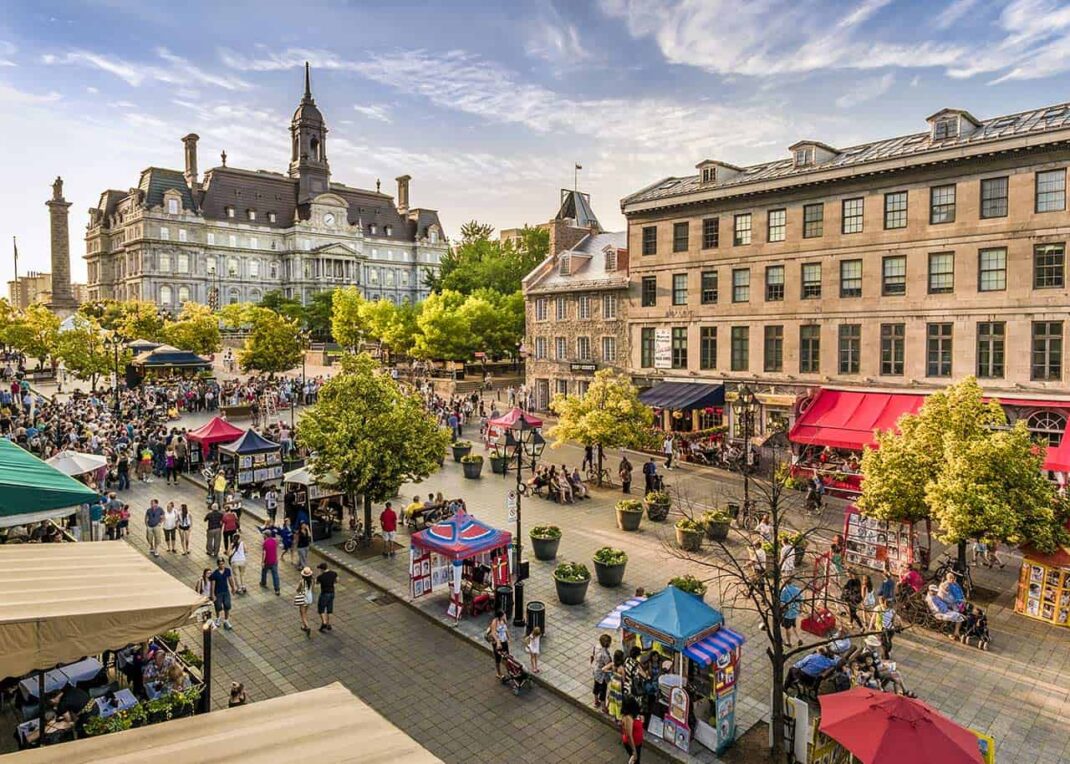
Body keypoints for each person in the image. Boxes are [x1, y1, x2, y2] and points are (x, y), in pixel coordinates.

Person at [208, 556, 235, 630]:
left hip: (226, 591)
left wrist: (233, 588)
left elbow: (230, 579)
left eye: (223, 564)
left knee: (227, 605)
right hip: (218, 592)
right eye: (220, 564)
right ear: (218, 565)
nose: (222, 565)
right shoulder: (215, 574)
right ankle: (218, 618)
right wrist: (212, 594)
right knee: (218, 606)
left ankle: (226, 620)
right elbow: (213, 585)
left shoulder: (227, 570)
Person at [591, 633, 612, 710]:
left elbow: (593, 655)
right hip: (602, 675)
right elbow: (608, 664)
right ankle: (604, 707)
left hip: (596, 670)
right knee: (603, 690)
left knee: (596, 687)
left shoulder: (596, 647)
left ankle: (596, 702)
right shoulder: (605, 654)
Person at [620, 695, 644, 764]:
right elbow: (629, 736)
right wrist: (634, 751)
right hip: (633, 744)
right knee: (635, 760)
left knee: (635, 760)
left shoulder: (632, 715)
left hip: (637, 743)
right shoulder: (628, 718)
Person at [780, 579, 803, 648]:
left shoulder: (784, 591)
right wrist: (800, 608)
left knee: (787, 628)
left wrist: (782, 610)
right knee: (794, 626)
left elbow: (782, 603)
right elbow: (801, 600)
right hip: (795, 611)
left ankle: (789, 642)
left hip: (787, 613)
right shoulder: (797, 589)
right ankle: (799, 638)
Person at [316, 561, 337, 632]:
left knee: (321, 609)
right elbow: (337, 580)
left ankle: (324, 622)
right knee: (329, 609)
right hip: (332, 593)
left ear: (322, 569)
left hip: (324, 594)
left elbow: (317, 583)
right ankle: (328, 623)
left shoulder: (320, 577)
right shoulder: (333, 573)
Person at [490, 609, 510, 679]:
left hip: (504, 641)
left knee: (507, 656)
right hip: (498, 643)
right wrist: (498, 642)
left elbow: (505, 628)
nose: (505, 615)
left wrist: (508, 637)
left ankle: (509, 671)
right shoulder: (494, 622)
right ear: (500, 616)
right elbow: (493, 633)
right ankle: (498, 673)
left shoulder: (503, 620)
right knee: (498, 658)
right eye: (503, 615)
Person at [259, 529, 281, 595]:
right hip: (274, 561)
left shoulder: (265, 543)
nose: (263, 536)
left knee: (264, 571)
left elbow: (264, 553)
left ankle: (263, 582)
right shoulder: (274, 541)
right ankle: (277, 589)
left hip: (267, 561)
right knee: (275, 575)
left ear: (266, 535)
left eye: (264, 535)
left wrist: (262, 562)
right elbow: (277, 546)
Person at [295, 567, 315, 637]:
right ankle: (304, 625)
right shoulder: (312, 581)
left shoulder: (302, 582)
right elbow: (313, 589)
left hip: (303, 598)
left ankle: (307, 626)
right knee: (305, 612)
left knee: (302, 613)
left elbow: (298, 589)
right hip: (309, 598)